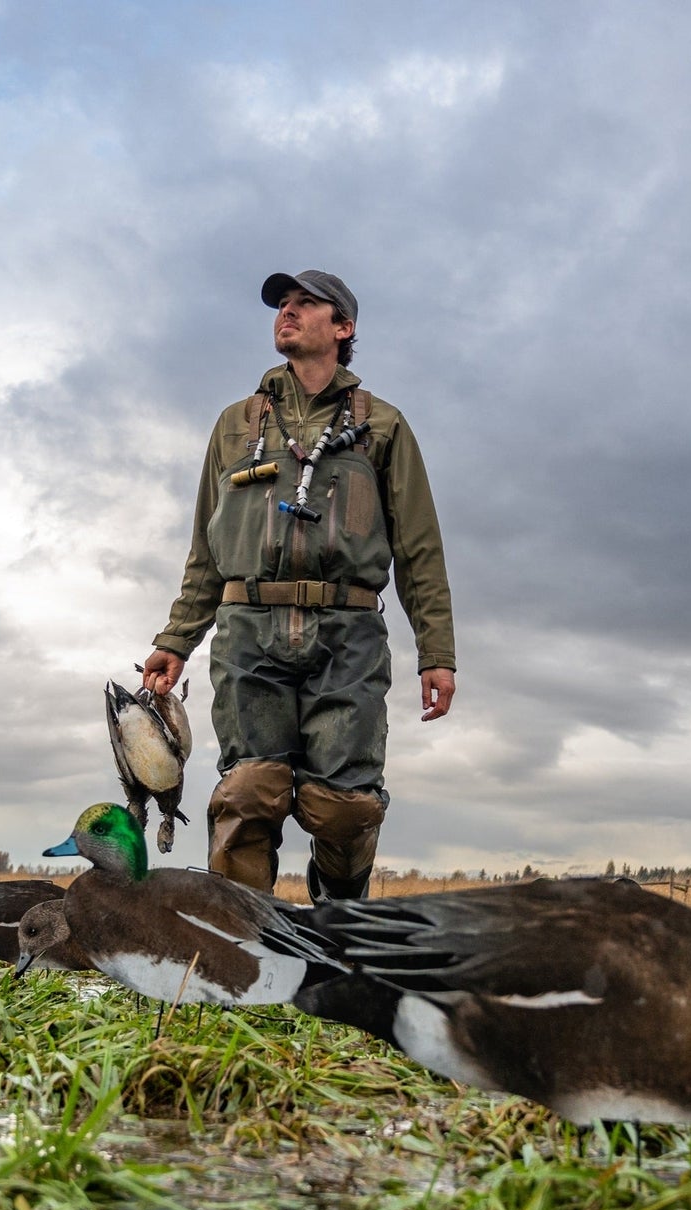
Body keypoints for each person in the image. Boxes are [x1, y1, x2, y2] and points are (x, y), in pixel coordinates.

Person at [142, 269, 456, 902]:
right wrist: (176, 639)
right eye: (281, 304)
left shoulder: (385, 426)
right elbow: (208, 547)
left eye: (304, 304)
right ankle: (238, 950)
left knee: (344, 807)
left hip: (349, 634)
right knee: (249, 794)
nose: (286, 312)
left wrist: (438, 654)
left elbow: (419, 547)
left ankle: (339, 933)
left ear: (343, 328)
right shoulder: (235, 424)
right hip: (248, 631)